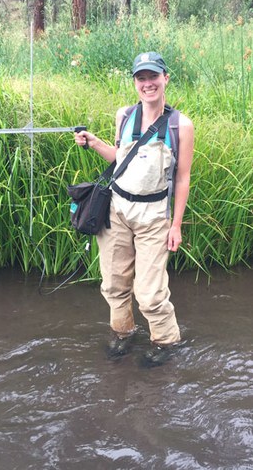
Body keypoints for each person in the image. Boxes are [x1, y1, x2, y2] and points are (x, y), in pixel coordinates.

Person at [74, 52, 194, 366]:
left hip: (154, 217)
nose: (147, 83)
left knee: (151, 293)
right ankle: (123, 334)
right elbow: (120, 159)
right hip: (116, 209)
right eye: (141, 78)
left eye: (153, 76)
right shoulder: (124, 115)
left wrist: (176, 224)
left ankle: (167, 344)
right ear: (135, 82)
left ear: (165, 78)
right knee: (114, 283)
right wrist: (93, 142)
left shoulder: (181, 125)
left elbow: (182, 178)